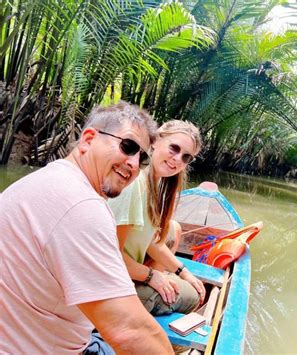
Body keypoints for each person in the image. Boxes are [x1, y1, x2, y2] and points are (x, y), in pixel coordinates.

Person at [0, 101, 173, 354]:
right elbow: (130, 332)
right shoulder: (82, 205)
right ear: (88, 139)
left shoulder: (41, 180)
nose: (134, 164)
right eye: (128, 146)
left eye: (143, 158)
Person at [108, 120, 206, 319]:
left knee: (173, 231)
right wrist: (152, 276)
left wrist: (182, 271)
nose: (177, 159)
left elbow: (150, 241)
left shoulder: (155, 184)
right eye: (174, 148)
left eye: (186, 157)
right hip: (110, 286)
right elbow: (110, 258)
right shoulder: (135, 184)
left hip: (124, 276)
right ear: (154, 141)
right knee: (192, 296)